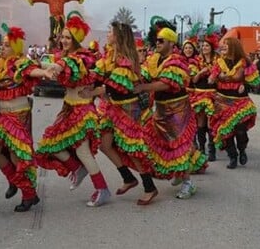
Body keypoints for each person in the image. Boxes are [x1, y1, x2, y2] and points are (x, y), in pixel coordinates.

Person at [0, 24, 54, 212]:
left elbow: (30, 70)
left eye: (7, 45)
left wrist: (44, 72)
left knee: (18, 158)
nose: (2, 47)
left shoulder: (19, 62)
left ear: (15, 47)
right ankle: (14, 180)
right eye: (3, 44)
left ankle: (29, 195)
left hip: (18, 115)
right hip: (2, 115)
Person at [36, 12, 110, 207]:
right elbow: (56, 64)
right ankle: (78, 169)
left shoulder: (82, 57)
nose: (64, 40)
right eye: (63, 37)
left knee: (83, 150)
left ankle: (102, 189)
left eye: (69, 38)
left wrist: (54, 68)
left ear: (76, 39)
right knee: (50, 144)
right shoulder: (65, 56)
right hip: (68, 109)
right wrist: (37, 65)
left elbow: (65, 66)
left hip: (82, 111)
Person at [82, 21, 157, 206]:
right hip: (113, 108)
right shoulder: (110, 55)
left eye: (110, 31)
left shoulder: (126, 59)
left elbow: (111, 86)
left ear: (118, 36)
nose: (107, 34)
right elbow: (97, 73)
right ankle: (128, 178)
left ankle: (150, 187)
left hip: (128, 110)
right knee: (105, 144)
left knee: (131, 149)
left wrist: (90, 93)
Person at [135, 27, 208, 199]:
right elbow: (145, 74)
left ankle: (188, 183)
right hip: (160, 108)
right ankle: (178, 172)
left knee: (178, 144)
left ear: (171, 42)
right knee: (161, 142)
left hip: (177, 109)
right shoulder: (154, 59)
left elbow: (166, 84)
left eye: (161, 40)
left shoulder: (176, 60)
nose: (157, 43)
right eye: (156, 40)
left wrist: (143, 87)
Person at [208, 37, 260, 169]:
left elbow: (255, 81)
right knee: (226, 131)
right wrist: (215, 77)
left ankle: (242, 150)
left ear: (234, 46)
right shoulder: (218, 62)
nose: (223, 47)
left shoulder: (245, 62)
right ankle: (232, 156)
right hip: (222, 101)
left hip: (240, 101)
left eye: (226, 44)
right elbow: (211, 79)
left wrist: (245, 84)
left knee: (240, 130)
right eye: (222, 45)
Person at [18, 0, 94, 45]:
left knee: (62, 36)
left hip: (61, 18)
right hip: (53, 18)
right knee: (52, 37)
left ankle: (62, 50)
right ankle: (52, 50)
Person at [190, 24, 220, 162]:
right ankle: (201, 148)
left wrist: (214, 73)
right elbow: (194, 79)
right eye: (202, 46)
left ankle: (211, 148)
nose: (204, 48)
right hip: (199, 93)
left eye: (207, 46)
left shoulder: (218, 60)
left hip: (213, 94)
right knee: (200, 122)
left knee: (211, 122)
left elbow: (220, 75)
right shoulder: (196, 61)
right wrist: (202, 72)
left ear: (212, 47)